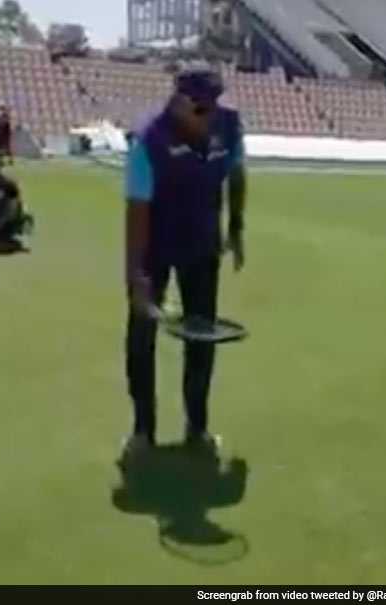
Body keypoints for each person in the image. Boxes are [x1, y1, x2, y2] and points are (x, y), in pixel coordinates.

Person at [122, 62, 247, 461]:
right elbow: (136, 210)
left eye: (214, 104)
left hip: (201, 243)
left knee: (201, 335)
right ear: (178, 101)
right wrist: (136, 275)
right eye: (200, 107)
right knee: (141, 336)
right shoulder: (149, 141)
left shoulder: (228, 126)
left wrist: (236, 226)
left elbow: (236, 171)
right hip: (154, 243)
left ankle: (198, 426)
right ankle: (143, 430)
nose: (208, 115)